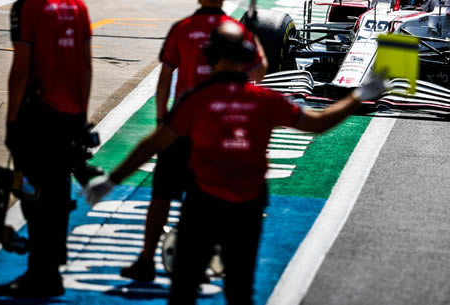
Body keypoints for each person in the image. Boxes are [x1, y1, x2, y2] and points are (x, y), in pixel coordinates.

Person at [84, 20, 387, 305]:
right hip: (248, 206)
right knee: (239, 291)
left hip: (203, 205)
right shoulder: (266, 100)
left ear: (211, 57)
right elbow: (319, 123)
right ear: (245, 57)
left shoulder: (196, 100)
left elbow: (153, 143)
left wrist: (112, 180)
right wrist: (360, 95)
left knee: (184, 289)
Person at [120, 0, 267, 282]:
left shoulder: (182, 29)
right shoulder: (235, 31)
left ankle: (146, 260)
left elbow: (165, 78)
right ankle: (198, 263)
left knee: (160, 195)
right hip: (218, 130)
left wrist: (162, 118)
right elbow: (260, 72)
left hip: (180, 128)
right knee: (205, 200)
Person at [0, 0, 92, 297]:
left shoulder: (26, 6)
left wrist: (11, 122)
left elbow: (20, 69)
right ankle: (51, 270)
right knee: (58, 196)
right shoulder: (77, 6)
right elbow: (85, 65)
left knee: (34, 198)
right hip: (70, 115)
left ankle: (40, 274)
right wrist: (81, 114)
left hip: (38, 118)